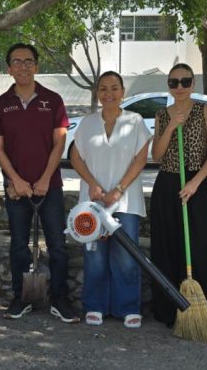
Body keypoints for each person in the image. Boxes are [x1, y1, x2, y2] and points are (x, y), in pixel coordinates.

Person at [0, 43, 79, 323]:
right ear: (9, 68)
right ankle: (21, 298)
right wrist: (15, 180)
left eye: (29, 62)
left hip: (48, 188)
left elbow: (60, 142)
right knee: (18, 245)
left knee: (57, 245)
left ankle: (60, 299)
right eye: (17, 62)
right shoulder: (1, 104)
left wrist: (43, 180)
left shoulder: (52, 100)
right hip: (17, 190)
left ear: (37, 66)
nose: (23, 67)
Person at [70, 71, 151, 328]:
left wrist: (119, 188)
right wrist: (92, 184)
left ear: (122, 91)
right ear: (97, 93)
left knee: (126, 255)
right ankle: (94, 305)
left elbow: (141, 158)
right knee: (95, 254)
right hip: (93, 201)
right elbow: (75, 157)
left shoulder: (135, 121)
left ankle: (128, 307)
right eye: (103, 89)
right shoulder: (87, 123)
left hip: (125, 201)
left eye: (114, 88)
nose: (109, 93)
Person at [149, 63, 207, 326]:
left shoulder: (205, 111)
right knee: (166, 246)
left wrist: (195, 182)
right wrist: (170, 127)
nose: (179, 87)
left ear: (193, 84)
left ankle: (193, 311)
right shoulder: (161, 115)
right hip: (167, 183)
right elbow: (156, 156)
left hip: (195, 184)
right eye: (174, 82)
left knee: (196, 247)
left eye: (185, 81)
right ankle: (166, 310)